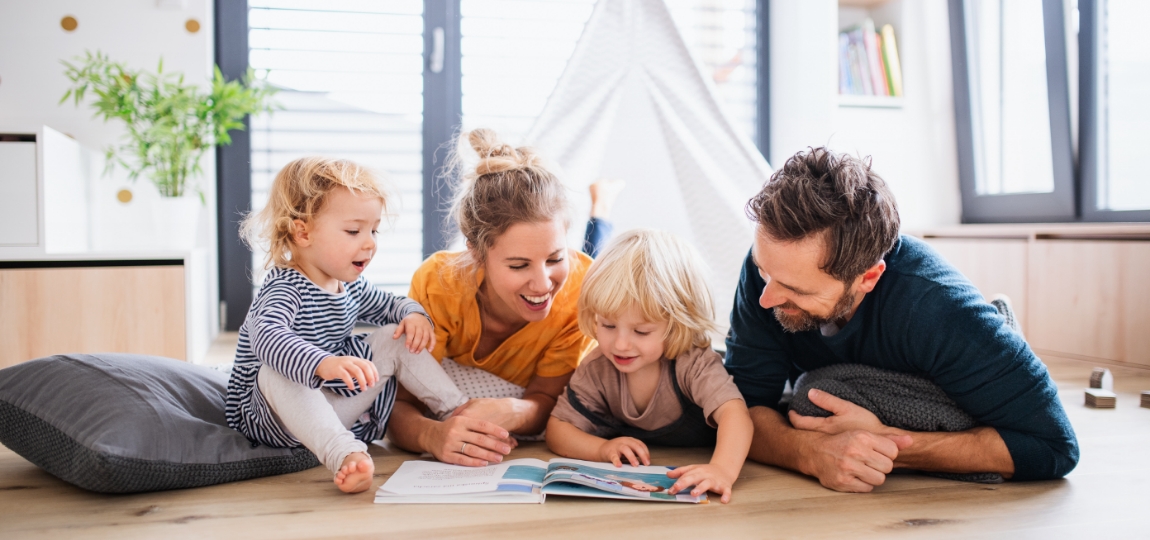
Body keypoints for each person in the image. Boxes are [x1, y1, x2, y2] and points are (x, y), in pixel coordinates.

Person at [724, 147, 1079, 493]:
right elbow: (740, 409)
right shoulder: (772, 270)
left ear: (868, 277)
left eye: (795, 289)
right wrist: (808, 453)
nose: (765, 298)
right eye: (763, 270)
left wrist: (889, 446)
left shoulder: (939, 309)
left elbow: (1054, 447)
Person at [225, 157, 469, 494]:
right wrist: (322, 363)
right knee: (273, 370)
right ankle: (345, 453)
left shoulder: (349, 285)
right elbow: (266, 338)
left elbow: (390, 304)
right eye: (354, 231)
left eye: (374, 230)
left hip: (329, 406)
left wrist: (414, 315)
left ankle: (459, 410)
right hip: (273, 417)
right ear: (303, 232)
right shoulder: (284, 288)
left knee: (392, 336)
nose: (369, 243)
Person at [387, 129, 608, 466]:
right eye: (519, 265)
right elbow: (399, 405)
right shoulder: (438, 283)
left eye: (555, 259)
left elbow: (549, 400)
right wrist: (430, 435)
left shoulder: (579, 291)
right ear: (477, 253)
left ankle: (603, 205)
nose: (542, 283)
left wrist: (514, 409)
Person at [546, 229, 752, 504]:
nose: (620, 344)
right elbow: (558, 429)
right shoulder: (597, 367)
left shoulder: (693, 362)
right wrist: (603, 448)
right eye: (608, 325)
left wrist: (722, 470)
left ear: (677, 326)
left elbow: (736, 415)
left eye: (640, 332)